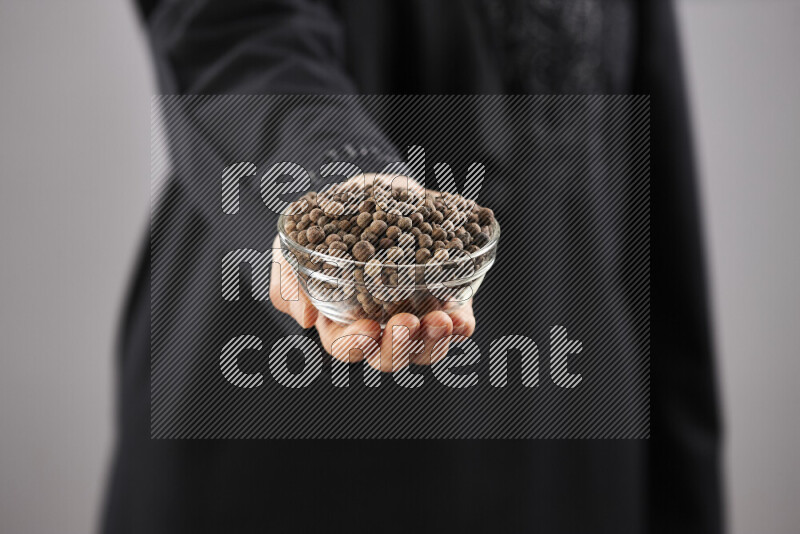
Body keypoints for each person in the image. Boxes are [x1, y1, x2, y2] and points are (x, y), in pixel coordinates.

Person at [103, 1, 723, 532]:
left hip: (571, 453)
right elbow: (234, 26)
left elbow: (645, 171)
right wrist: (341, 187)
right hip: (292, 447)